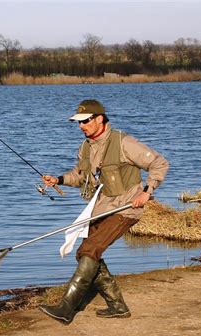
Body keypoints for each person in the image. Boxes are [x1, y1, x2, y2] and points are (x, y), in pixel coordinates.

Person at [39, 99, 169, 324]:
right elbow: (80, 177)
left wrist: (147, 192)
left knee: (90, 250)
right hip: (101, 208)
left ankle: (66, 308)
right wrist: (58, 179)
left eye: (86, 121)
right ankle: (117, 306)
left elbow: (160, 163)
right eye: (78, 122)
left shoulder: (123, 142)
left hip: (127, 208)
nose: (81, 126)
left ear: (100, 119)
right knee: (84, 252)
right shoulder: (86, 147)